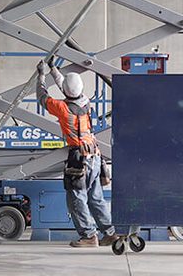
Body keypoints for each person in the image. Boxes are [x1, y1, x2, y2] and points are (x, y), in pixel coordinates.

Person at [36, 59, 118, 248]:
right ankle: (110, 233)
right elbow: (67, 88)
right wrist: (53, 69)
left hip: (79, 160)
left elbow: (42, 96)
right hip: (95, 156)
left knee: (76, 198)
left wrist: (41, 75)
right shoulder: (86, 102)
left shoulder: (62, 109)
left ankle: (89, 236)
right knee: (95, 197)